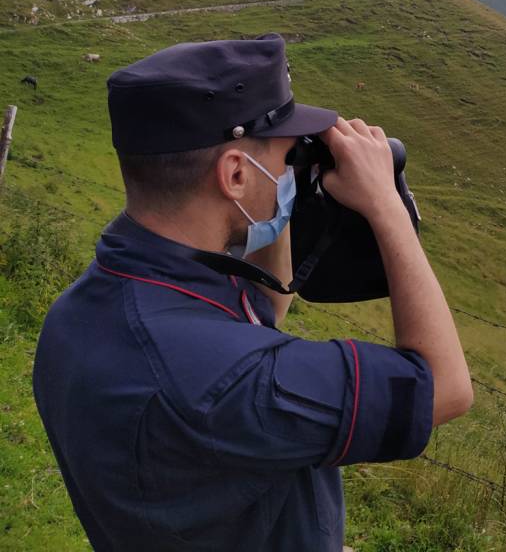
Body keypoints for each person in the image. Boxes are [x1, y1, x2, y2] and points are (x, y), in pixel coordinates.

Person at [32, 34, 473, 551]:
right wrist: (384, 207)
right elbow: (446, 389)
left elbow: (265, 307)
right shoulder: (225, 378)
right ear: (236, 174)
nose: (292, 169)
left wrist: (280, 204)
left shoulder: (99, 301)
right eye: (286, 156)